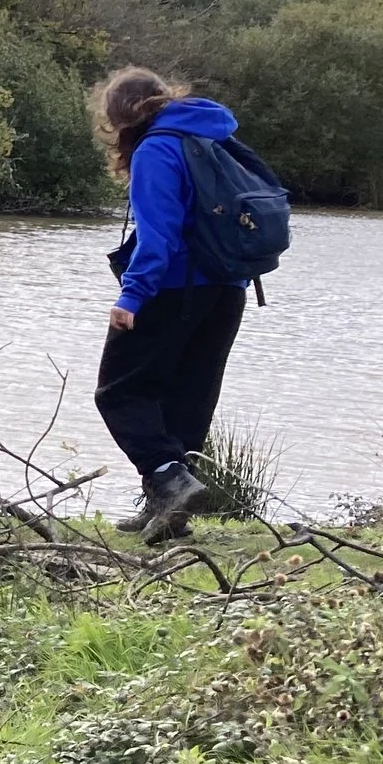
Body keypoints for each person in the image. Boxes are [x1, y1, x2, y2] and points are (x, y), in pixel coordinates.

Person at [92, 67, 256, 542]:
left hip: (174, 288)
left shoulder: (158, 149)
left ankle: (170, 479)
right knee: (185, 394)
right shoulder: (214, 137)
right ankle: (166, 507)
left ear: (119, 119)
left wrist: (132, 296)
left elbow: (158, 238)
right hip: (229, 288)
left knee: (119, 391)